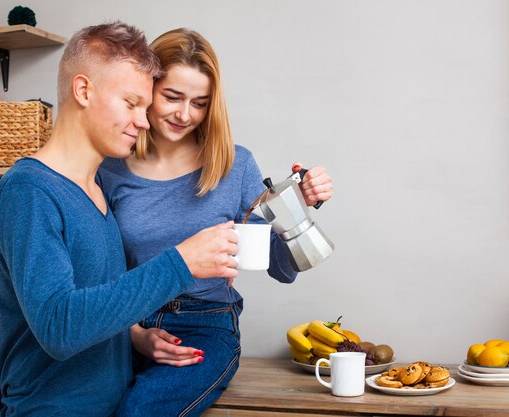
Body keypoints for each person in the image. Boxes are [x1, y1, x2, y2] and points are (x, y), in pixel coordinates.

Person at [0, 22, 239, 417]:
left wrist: (136, 339)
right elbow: (60, 327)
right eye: (130, 104)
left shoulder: (95, 189)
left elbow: (98, 302)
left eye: (145, 108)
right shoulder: (30, 191)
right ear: (83, 91)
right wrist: (181, 263)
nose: (144, 121)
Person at [96, 28, 333, 417]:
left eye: (199, 103)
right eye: (171, 96)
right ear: (147, 88)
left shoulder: (234, 165)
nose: (183, 114)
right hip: (123, 326)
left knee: (140, 411)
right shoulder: (111, 168)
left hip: (203, 325)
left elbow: (279, 265)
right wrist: (134, 335)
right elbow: (100, 270)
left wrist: (297, 208)